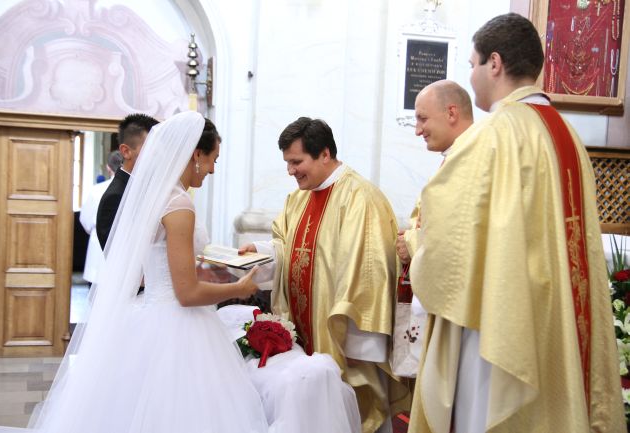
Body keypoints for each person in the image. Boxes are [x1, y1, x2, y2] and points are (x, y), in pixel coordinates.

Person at [0, 112, 269, 433]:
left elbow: (161, 263)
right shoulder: (180, 205)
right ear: (196, 155)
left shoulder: (154, 196)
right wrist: (239, 288)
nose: (213, 168)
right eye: (213, 158)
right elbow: (187, 294)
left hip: (150, 314)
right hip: (177, 325)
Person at [407, 13, 625, 433]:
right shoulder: (567, 135)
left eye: (472, 64)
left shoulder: (492, 134)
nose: (471, 76)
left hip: (498, 325)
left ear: (494, 63)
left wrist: (416, 247)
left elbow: (450, 241)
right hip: (556, 317)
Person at [240, 117, 409, 433]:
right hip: (306, 339)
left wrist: (360, 347)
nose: (290, 171)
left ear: (325, 154)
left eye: (296, 162)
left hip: (345, 343)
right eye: (287, 162)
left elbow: (368, 276)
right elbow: (288, 247)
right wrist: (260, 253)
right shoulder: (299, 198)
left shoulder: (361, 199)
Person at [395, 79, 474, 267]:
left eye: (423, 118)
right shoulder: (458, 156)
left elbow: (462, 233)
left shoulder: (471, 160)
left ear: (451, 113)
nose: (417, 130)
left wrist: (412, 243)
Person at [96, 113, 158, 249]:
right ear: (126, 151)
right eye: (151, 149)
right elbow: (114, 251)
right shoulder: (115, 196)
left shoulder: (144, 185)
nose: (157, 155)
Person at [79, 150, 123, 286]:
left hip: (97, 246)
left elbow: (85, 220)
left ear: (108, 168)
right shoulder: (131, 189)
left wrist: (94, 230)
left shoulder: (96, 190)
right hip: (123, 251)